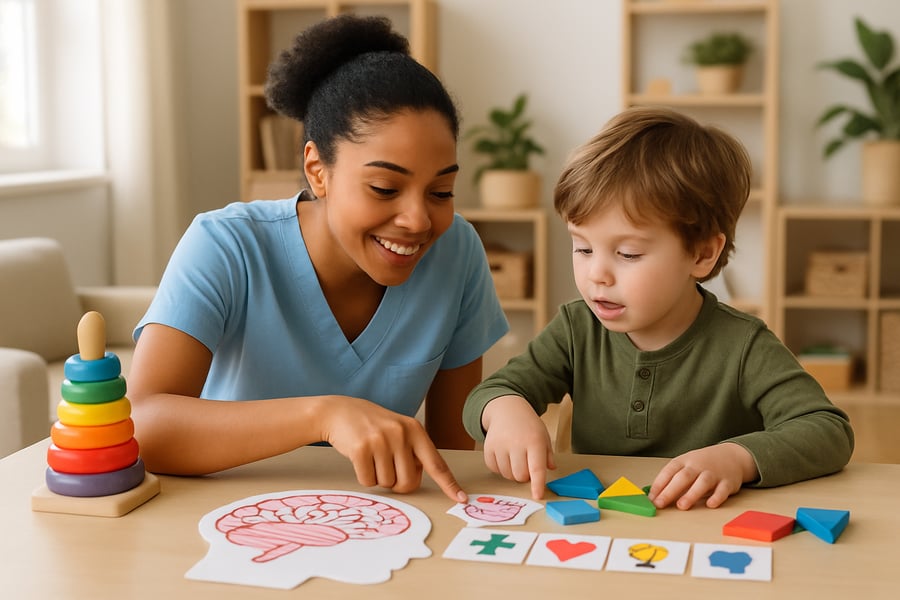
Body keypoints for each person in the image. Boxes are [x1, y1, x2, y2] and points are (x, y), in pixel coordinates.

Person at [128, 14, 508, 503]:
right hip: (222, 520)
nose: (418, 220)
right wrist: (325, 415)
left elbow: (452, 452)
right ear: (317, 170)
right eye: (385, 187)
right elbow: (141, 426)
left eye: (441, 191)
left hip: (381, 524)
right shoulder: (226, 245)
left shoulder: (457, 251)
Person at [463, 107, 854, 509]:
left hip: (705, 533)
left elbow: (828, 430)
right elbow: (491, 392)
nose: (596, 273)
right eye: (582, 247)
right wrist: (505, 410)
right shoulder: (576, 328)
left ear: (702, 254)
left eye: (628, 253)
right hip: (601, 527)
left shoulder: (744, 346)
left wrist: (739, 458)